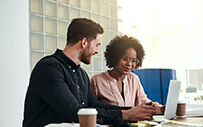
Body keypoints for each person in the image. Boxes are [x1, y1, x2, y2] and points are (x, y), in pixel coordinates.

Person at [23, 18, 155, 127]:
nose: (97, 51)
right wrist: (127, 114)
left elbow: (96, 106)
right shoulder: (49, 68)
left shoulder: (81, 74)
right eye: (96, 45)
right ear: (84, 42)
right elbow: (74, 113)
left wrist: (133, 111)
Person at [90, 35, 163, 113]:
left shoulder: (134, 79)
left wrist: (161, 108)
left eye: (134, 61)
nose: (129, 64)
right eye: (125, 59)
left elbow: (143, 101)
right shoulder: (96, 80)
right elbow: (91, 109)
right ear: (115, 57)